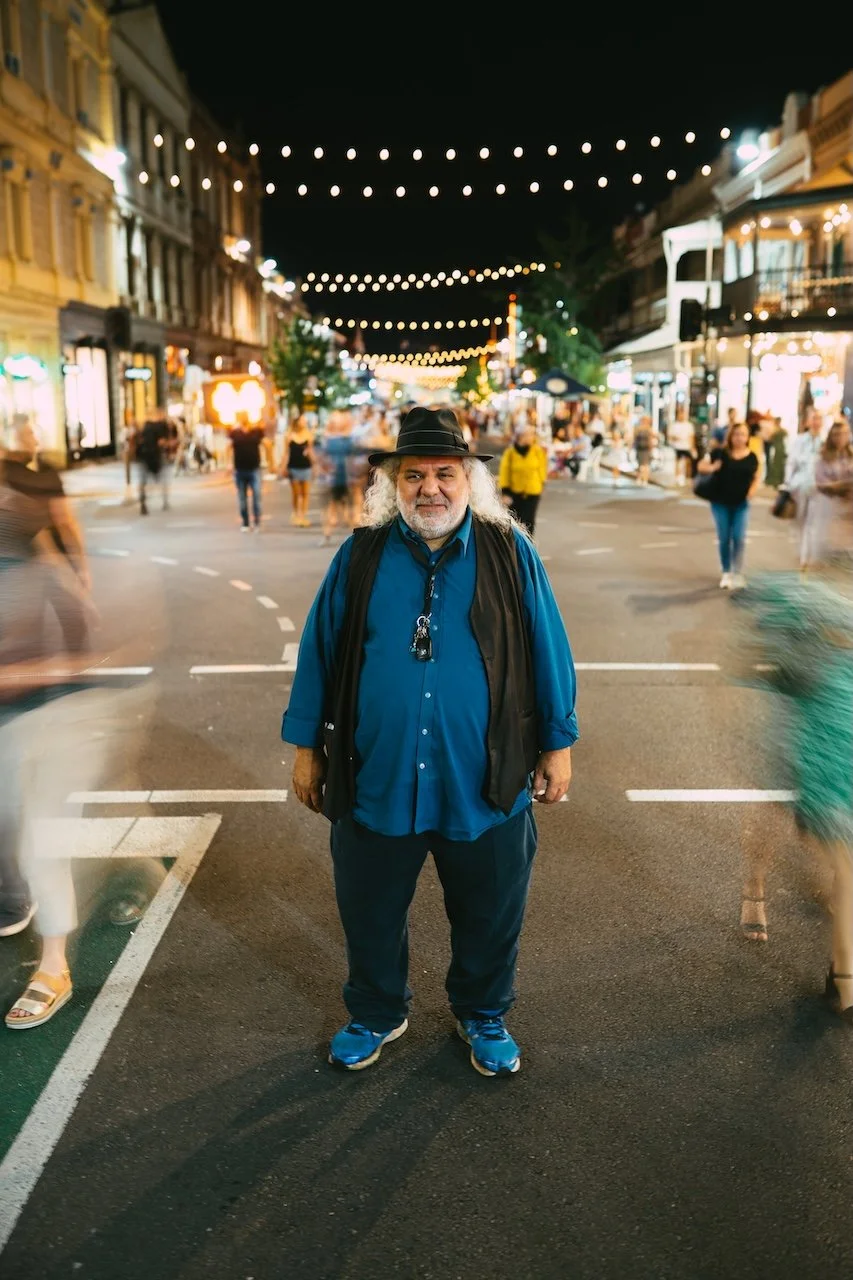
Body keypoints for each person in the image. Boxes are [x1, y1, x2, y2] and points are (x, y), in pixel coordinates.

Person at [281, 406, 577, 1077]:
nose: (430, 489)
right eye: (414, 475)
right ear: (394, 483)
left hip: (486, 778)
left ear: (469, 479)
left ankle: (483, 1013)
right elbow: (319, 653)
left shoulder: (509, 553)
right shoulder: (360, 556)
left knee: (491, 909)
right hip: (375, 776)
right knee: (369, 908)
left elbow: (548, 650)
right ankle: (376, 1011)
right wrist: (307, 747)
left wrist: (557, 745)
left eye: (444, 473)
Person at [735, 570, 853, 1028]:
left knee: (841, 863)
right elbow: (761, 598)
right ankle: (755, 888)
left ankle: (842, 979)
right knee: (776, 813)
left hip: (832, 736)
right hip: (813, 740)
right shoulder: (812, 602)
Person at [696, 419, 760, 589]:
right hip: (720, 502)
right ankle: (726, 571)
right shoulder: (720, 453)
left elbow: (756, 476)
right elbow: (701, 465)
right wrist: (712, 468)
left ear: (748, 437)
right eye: (737, 434)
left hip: (741, 503)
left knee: (738, 538)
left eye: (744, 435)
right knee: (724, 537)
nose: (740, 438)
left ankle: (737, 572)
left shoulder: (752, 456)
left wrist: (752, 491)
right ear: (731, 436)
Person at [801, 419, 853, 572]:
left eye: (844, 434)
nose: (841, 438)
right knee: (820, 539)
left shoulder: (850, 456)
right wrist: (839, 486)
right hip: (827, 502)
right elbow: (820, 482)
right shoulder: (823, 456)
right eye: (837, 434)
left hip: (846, 503)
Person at [786, 408, 826, 570]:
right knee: (800, 519)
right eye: (813, 418)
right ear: (808, 421)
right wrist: (787, 484)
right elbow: (791, 463)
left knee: (812, 521)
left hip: (818, 487)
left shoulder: (825, 442)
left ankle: (806, 557)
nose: (816, 422)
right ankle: (802, 550)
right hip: (800, 484)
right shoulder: (800, 440)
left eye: (819, 419)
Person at [497, 425, 548, 535]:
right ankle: (515, 547)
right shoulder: (510, 453)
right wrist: (505, 492)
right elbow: (504, 472)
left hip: (532, 491)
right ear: (521, 436)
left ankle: (528, 548)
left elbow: (542, 468)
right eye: (529, 434)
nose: (532, 437)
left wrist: (542, 483)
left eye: (532, 434)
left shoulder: (537, 451)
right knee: (515, 522)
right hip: (515, 493)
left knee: (529, 522)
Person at [319, 410, 353, 545]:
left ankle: (352, 535)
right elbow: (323, 458)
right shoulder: (333, 438)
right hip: (335, 476)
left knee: (348, 507)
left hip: (344, 475)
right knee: (332, 506)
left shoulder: (346, 437)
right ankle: (327, 534)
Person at [229, 413, 264, 532]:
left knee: (257, 496)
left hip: (254, 469)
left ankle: (257, 522)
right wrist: (229, 464)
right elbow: (229, 447)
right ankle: (245, 522)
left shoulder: (256, 431)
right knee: (242, 498)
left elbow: (266, 444)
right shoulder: (235, 433)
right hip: (240, 470)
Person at [283, 413, 315, 527]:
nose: (305, 422)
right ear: (297, 422)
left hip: (306, 467)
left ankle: (303, 516)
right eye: (302, 420)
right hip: (293, 467)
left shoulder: (308, 435)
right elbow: (286, 453)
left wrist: (315, 464)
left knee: (305, 493)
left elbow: (310, 451)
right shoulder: (289, 436)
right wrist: (283, 467)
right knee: (296, 494)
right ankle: (296, 514)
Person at [135, 408, 168, 514]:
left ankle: (143, 501)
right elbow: (161, 442)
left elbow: (139, 440)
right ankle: (164, 501)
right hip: (155, 456)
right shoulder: (159, 427)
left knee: (143, 481)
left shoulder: (144, 426)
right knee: (161, 479)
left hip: (143, 456)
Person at [668, 406, 696, 486]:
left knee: (688, 462)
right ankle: (677, 478)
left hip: (687, 446)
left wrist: (692, 447)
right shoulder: (675, 425)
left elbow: (691, 437)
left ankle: (688, 477)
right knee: (678, 462)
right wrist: (676, 438)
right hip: (678, 446)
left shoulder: (689, 425)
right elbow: (670, 436)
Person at [764, 416, 788, 490]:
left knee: (779, 465)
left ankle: (779, 481)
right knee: (776, 465)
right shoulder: (776, 430)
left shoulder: (778, 430)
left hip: (780, 448)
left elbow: (769, 438)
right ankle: (775, 481)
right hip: (777, 448)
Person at [632, 415, 656, 486]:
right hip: (640, 448)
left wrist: (652, 448)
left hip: (646, 448)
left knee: (646, 465)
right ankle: (640, 478)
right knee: (640, 465)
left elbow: (651, 439)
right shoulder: (638, 429)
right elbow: (635, 438)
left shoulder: (649, 429)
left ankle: (645, 479)